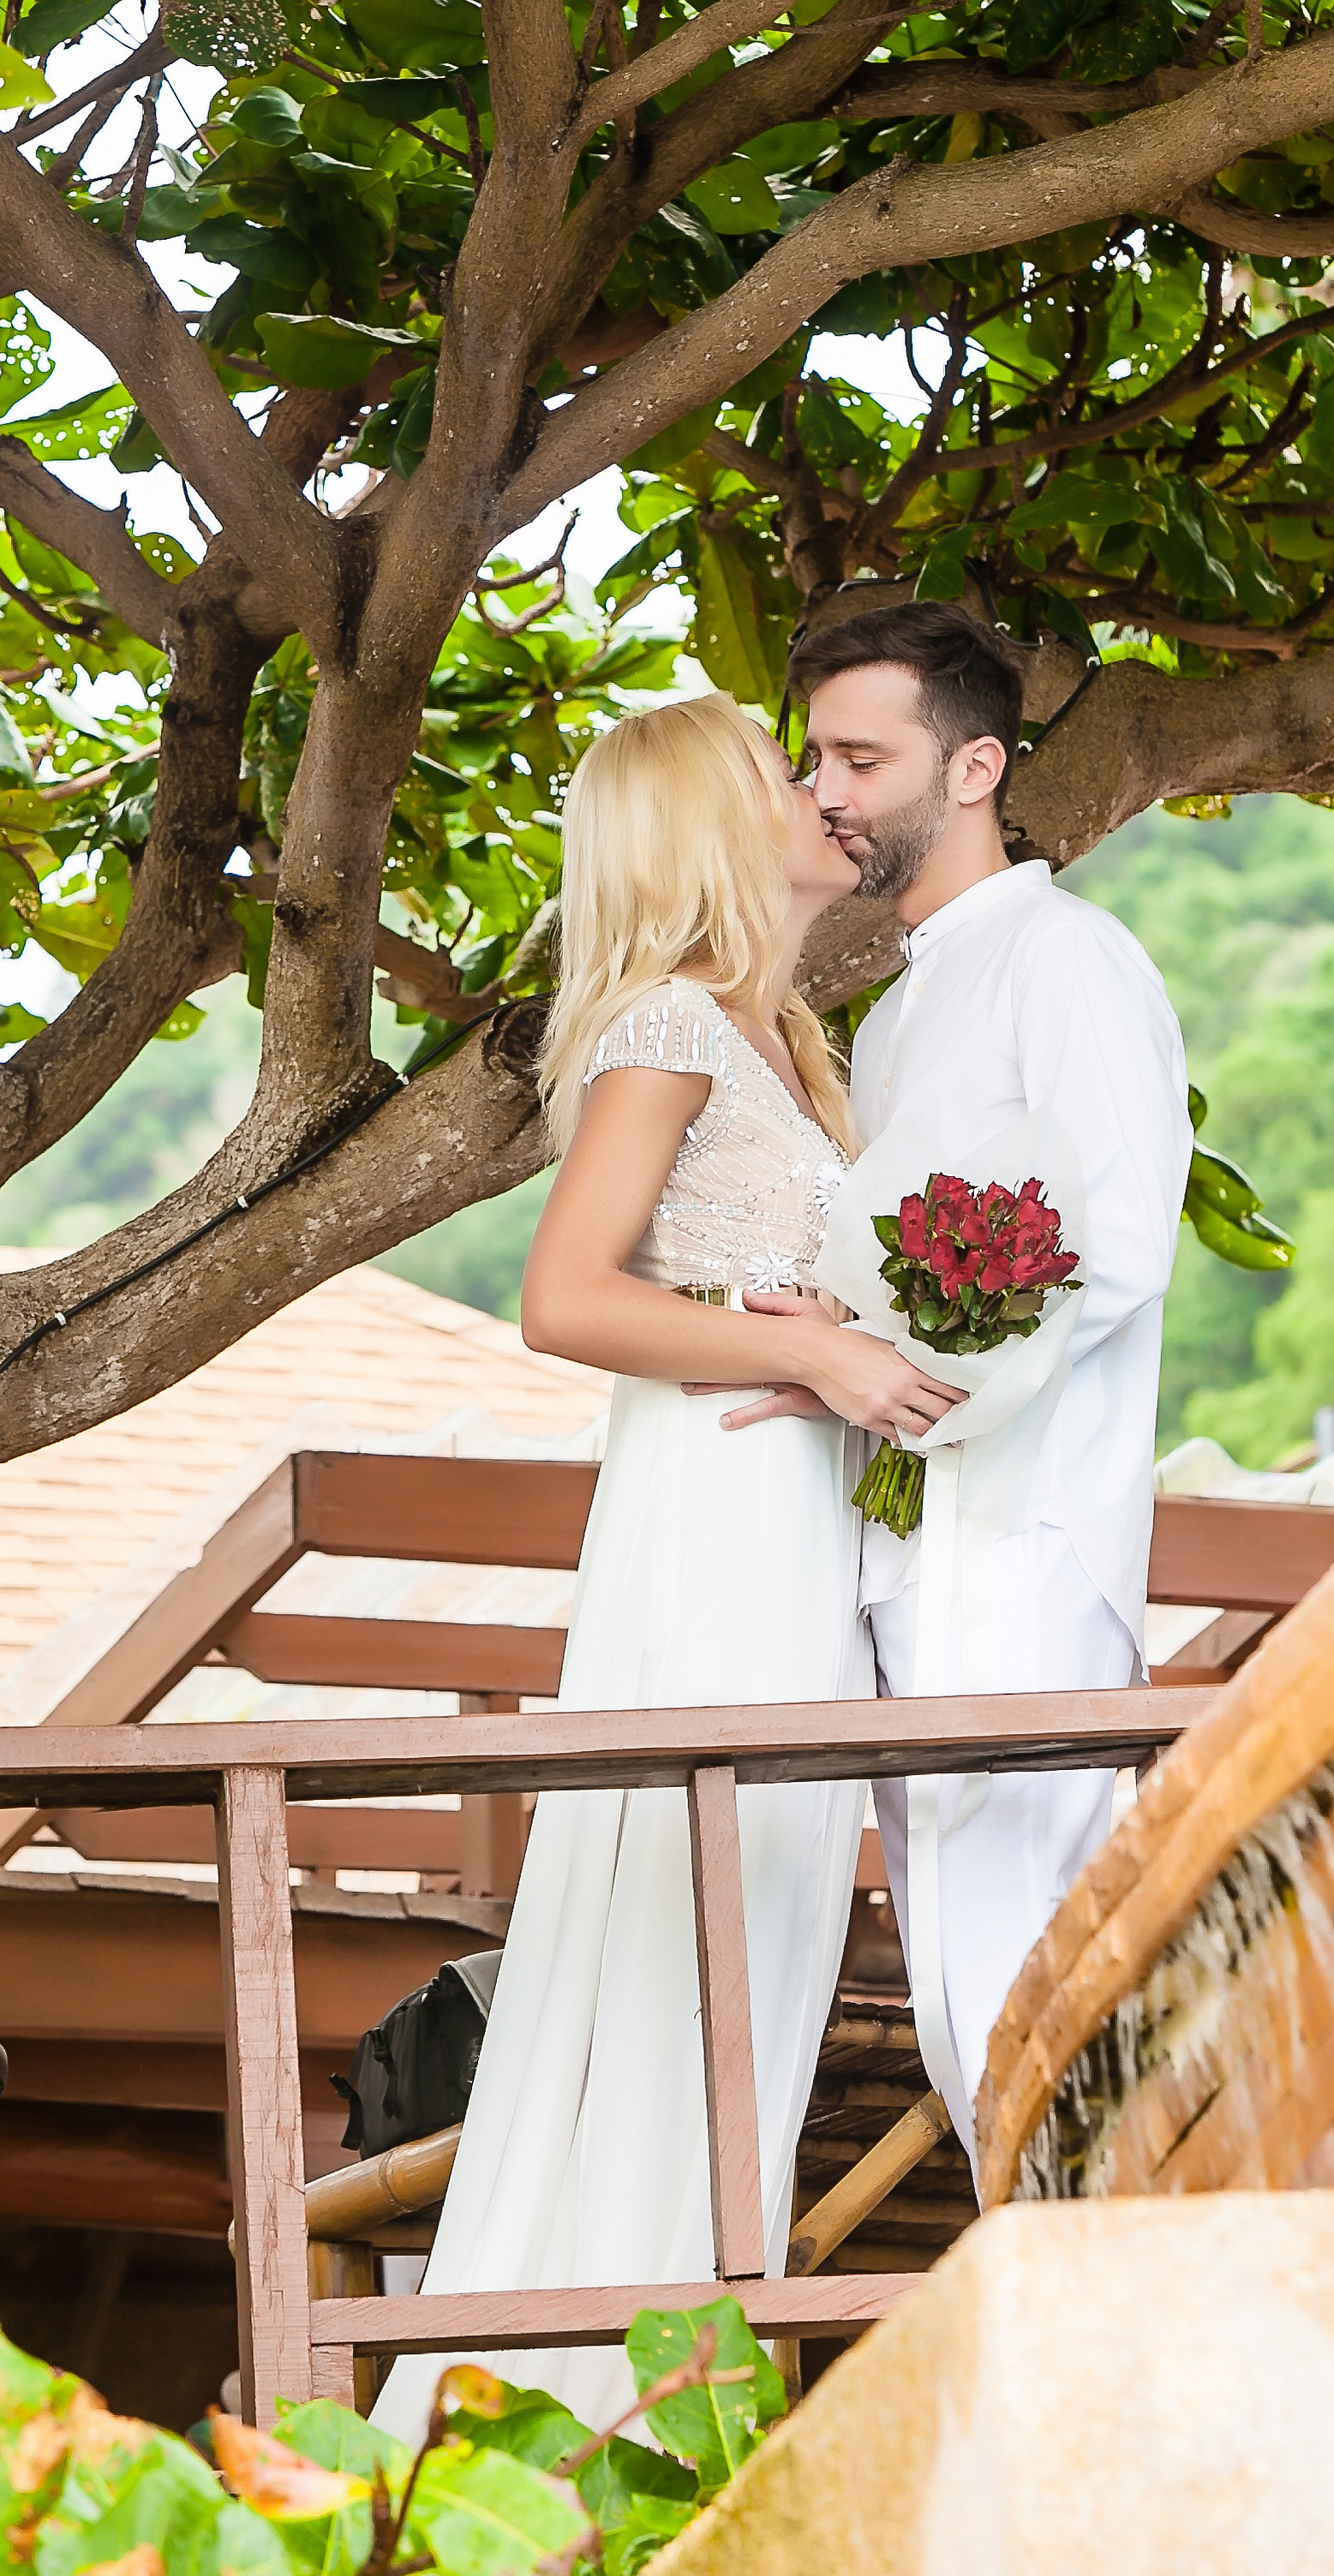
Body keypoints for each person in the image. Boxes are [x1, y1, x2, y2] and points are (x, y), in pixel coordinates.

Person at [373, 690, 959, 2436]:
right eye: (782, 773)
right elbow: (565, 1295)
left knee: (765, 1917)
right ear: (709, 823)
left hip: (787, 1518)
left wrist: (866, 1340)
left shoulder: (787, 1040)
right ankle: (568, 2404)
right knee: (688, 1918)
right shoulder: (665, 1029)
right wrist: (817, 1356)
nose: (815, 794)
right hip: (708, 1520)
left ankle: (662, 2373)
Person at [727, 601, 1189, 2175]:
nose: (828, 790)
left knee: (1033, 1982)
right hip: (920, 1543)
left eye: (863, 755)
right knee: (959, 1993)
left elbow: (1116, 1249)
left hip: (1028, 1545)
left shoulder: (1071, 963)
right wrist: (830, 1347)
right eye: (817, 758)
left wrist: (901, 1380)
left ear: (977, 763)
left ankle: (1091, 2308)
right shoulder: (909, 999)